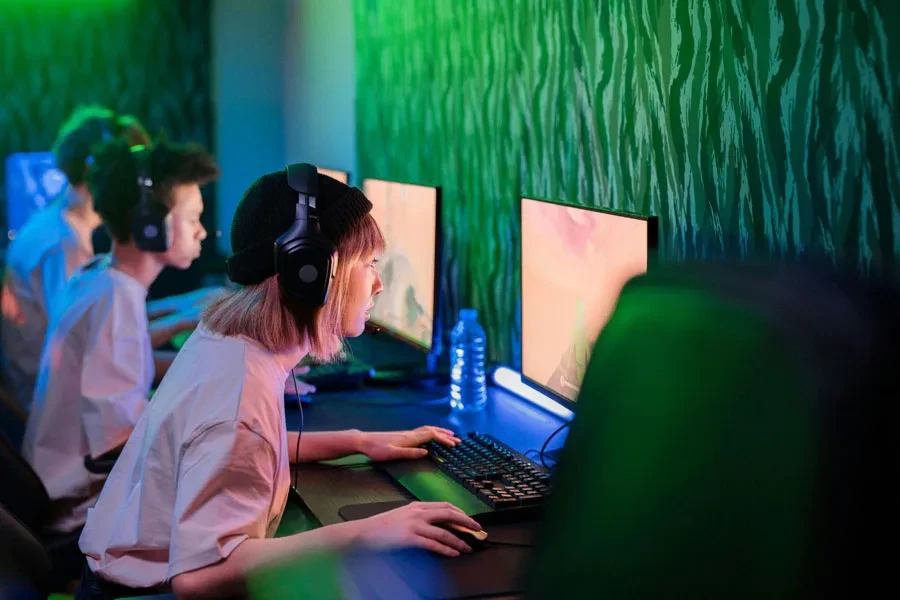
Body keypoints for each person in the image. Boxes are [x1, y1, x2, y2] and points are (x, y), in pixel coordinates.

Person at [77, 167, 482, 599]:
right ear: (310, 271)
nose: (379, 284)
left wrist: (359, 441)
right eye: (367, 264)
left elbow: (247, 448)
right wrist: (370, 532)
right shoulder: (239, 394)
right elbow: (200, 578)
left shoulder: (227, 340)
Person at [20, 138, 220, 535]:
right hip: (84, 509)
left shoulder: (97, 276)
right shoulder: (115, 299)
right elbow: (118, 443)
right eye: (193, 217)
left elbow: (132, 369)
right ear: (150, 223)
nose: (201, 231)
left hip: (66, 491)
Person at [1, 105, 150, 413]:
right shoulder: (62, 243)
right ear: (95, 168)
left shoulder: (64, 226)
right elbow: (85, 347)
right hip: (51, 411)